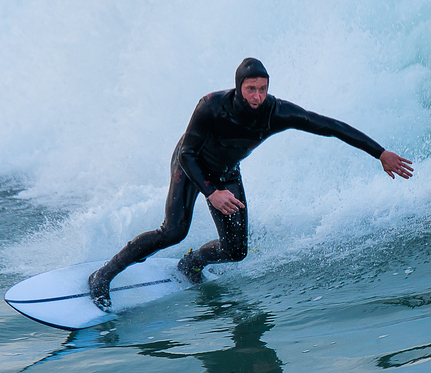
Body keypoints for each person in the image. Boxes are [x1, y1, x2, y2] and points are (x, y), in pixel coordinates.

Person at [88, 57, 414, 310]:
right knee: (174, 231)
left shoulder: (276, 112)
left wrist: (380, 153)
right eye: (251, 89)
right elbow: (187, 154)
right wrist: (212, 193)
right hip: (191, 165)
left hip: (227, 171)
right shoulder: (211, 106)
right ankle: (104, 274)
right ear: (238, 87)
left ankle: (191, 263)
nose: (258, 96)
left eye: (263, 88)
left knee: (236, 250)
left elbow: (329, 125)